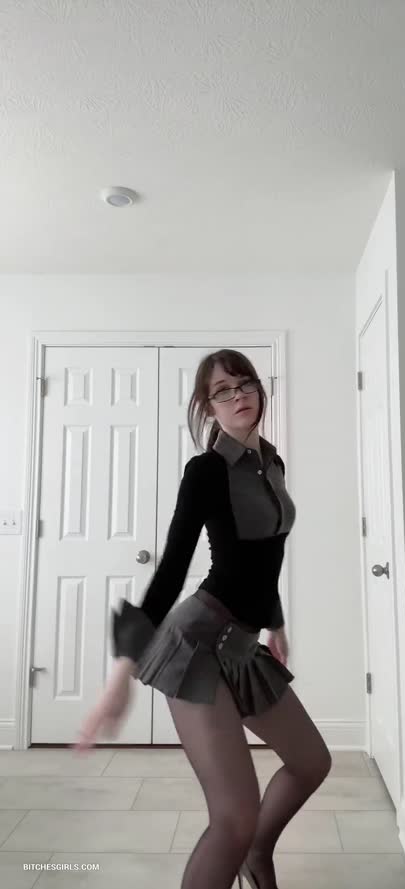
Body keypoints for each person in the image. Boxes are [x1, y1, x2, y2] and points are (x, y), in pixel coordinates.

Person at [75, 349, 332, 889]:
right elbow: (171, 571)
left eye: (245, 384)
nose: (238, 396)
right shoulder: (206, 471)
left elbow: (265, 556)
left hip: (242, 643)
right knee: (233, 817)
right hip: (196, 644)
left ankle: (256, 854)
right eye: (223, 391)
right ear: (207, 406)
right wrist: (120, 677)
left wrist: (276, 622)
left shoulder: (272, 463)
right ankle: (243, 846)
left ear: (259, 388)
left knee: (312, 762)